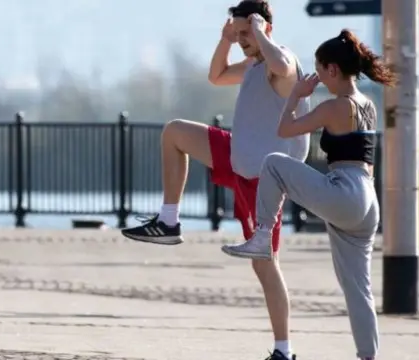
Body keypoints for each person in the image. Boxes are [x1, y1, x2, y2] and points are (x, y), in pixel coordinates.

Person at [121, 1, 310, 359]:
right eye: (238, 34)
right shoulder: (255, 63)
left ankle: (284, 351)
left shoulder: (280, 61)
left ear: (264, 28)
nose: (242, 40)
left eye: (245, 33)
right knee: (175, 132)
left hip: (263, 178)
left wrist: (258, 31)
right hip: (238, 154)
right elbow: (217, 75)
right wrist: (225, 39)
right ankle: (169, 220)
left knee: (264, 263)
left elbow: (282, 65)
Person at [222, 29, 396, 360]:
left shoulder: (335, 107)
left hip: (344, 191)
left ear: (332, 69)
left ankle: (262, 235)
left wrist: (297, 95)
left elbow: (285, 129)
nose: (315, 78)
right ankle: (368, 357)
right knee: (359, 290)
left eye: (318, 71)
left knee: (273, 163)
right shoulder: (367, 105)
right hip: (367, 201)